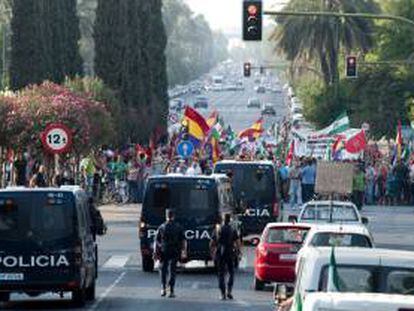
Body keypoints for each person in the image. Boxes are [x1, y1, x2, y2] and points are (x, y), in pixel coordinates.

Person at [154, 210, 186, 298]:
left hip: (164, 250)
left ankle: (163, 288)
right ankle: (171, 290)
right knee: (172, 270)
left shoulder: (161, 227)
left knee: (163, 269)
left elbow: (157, 241)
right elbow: (183, 240)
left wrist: (156, 251)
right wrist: (183, 251)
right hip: (175, 250)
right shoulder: (178, 227)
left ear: (166, 216)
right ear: (173, 216)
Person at [210, 213, 241, 300]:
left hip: (220, 252)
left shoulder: (217, 229)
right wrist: (238, 252)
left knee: (221, 274)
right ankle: (229, 291)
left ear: (222, 220)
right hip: (230, 252)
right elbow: (238, 242)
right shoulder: (232, 229)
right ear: (230, 220)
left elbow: (212, 243)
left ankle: (223, 294)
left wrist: (212, 253)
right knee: (231, 272)